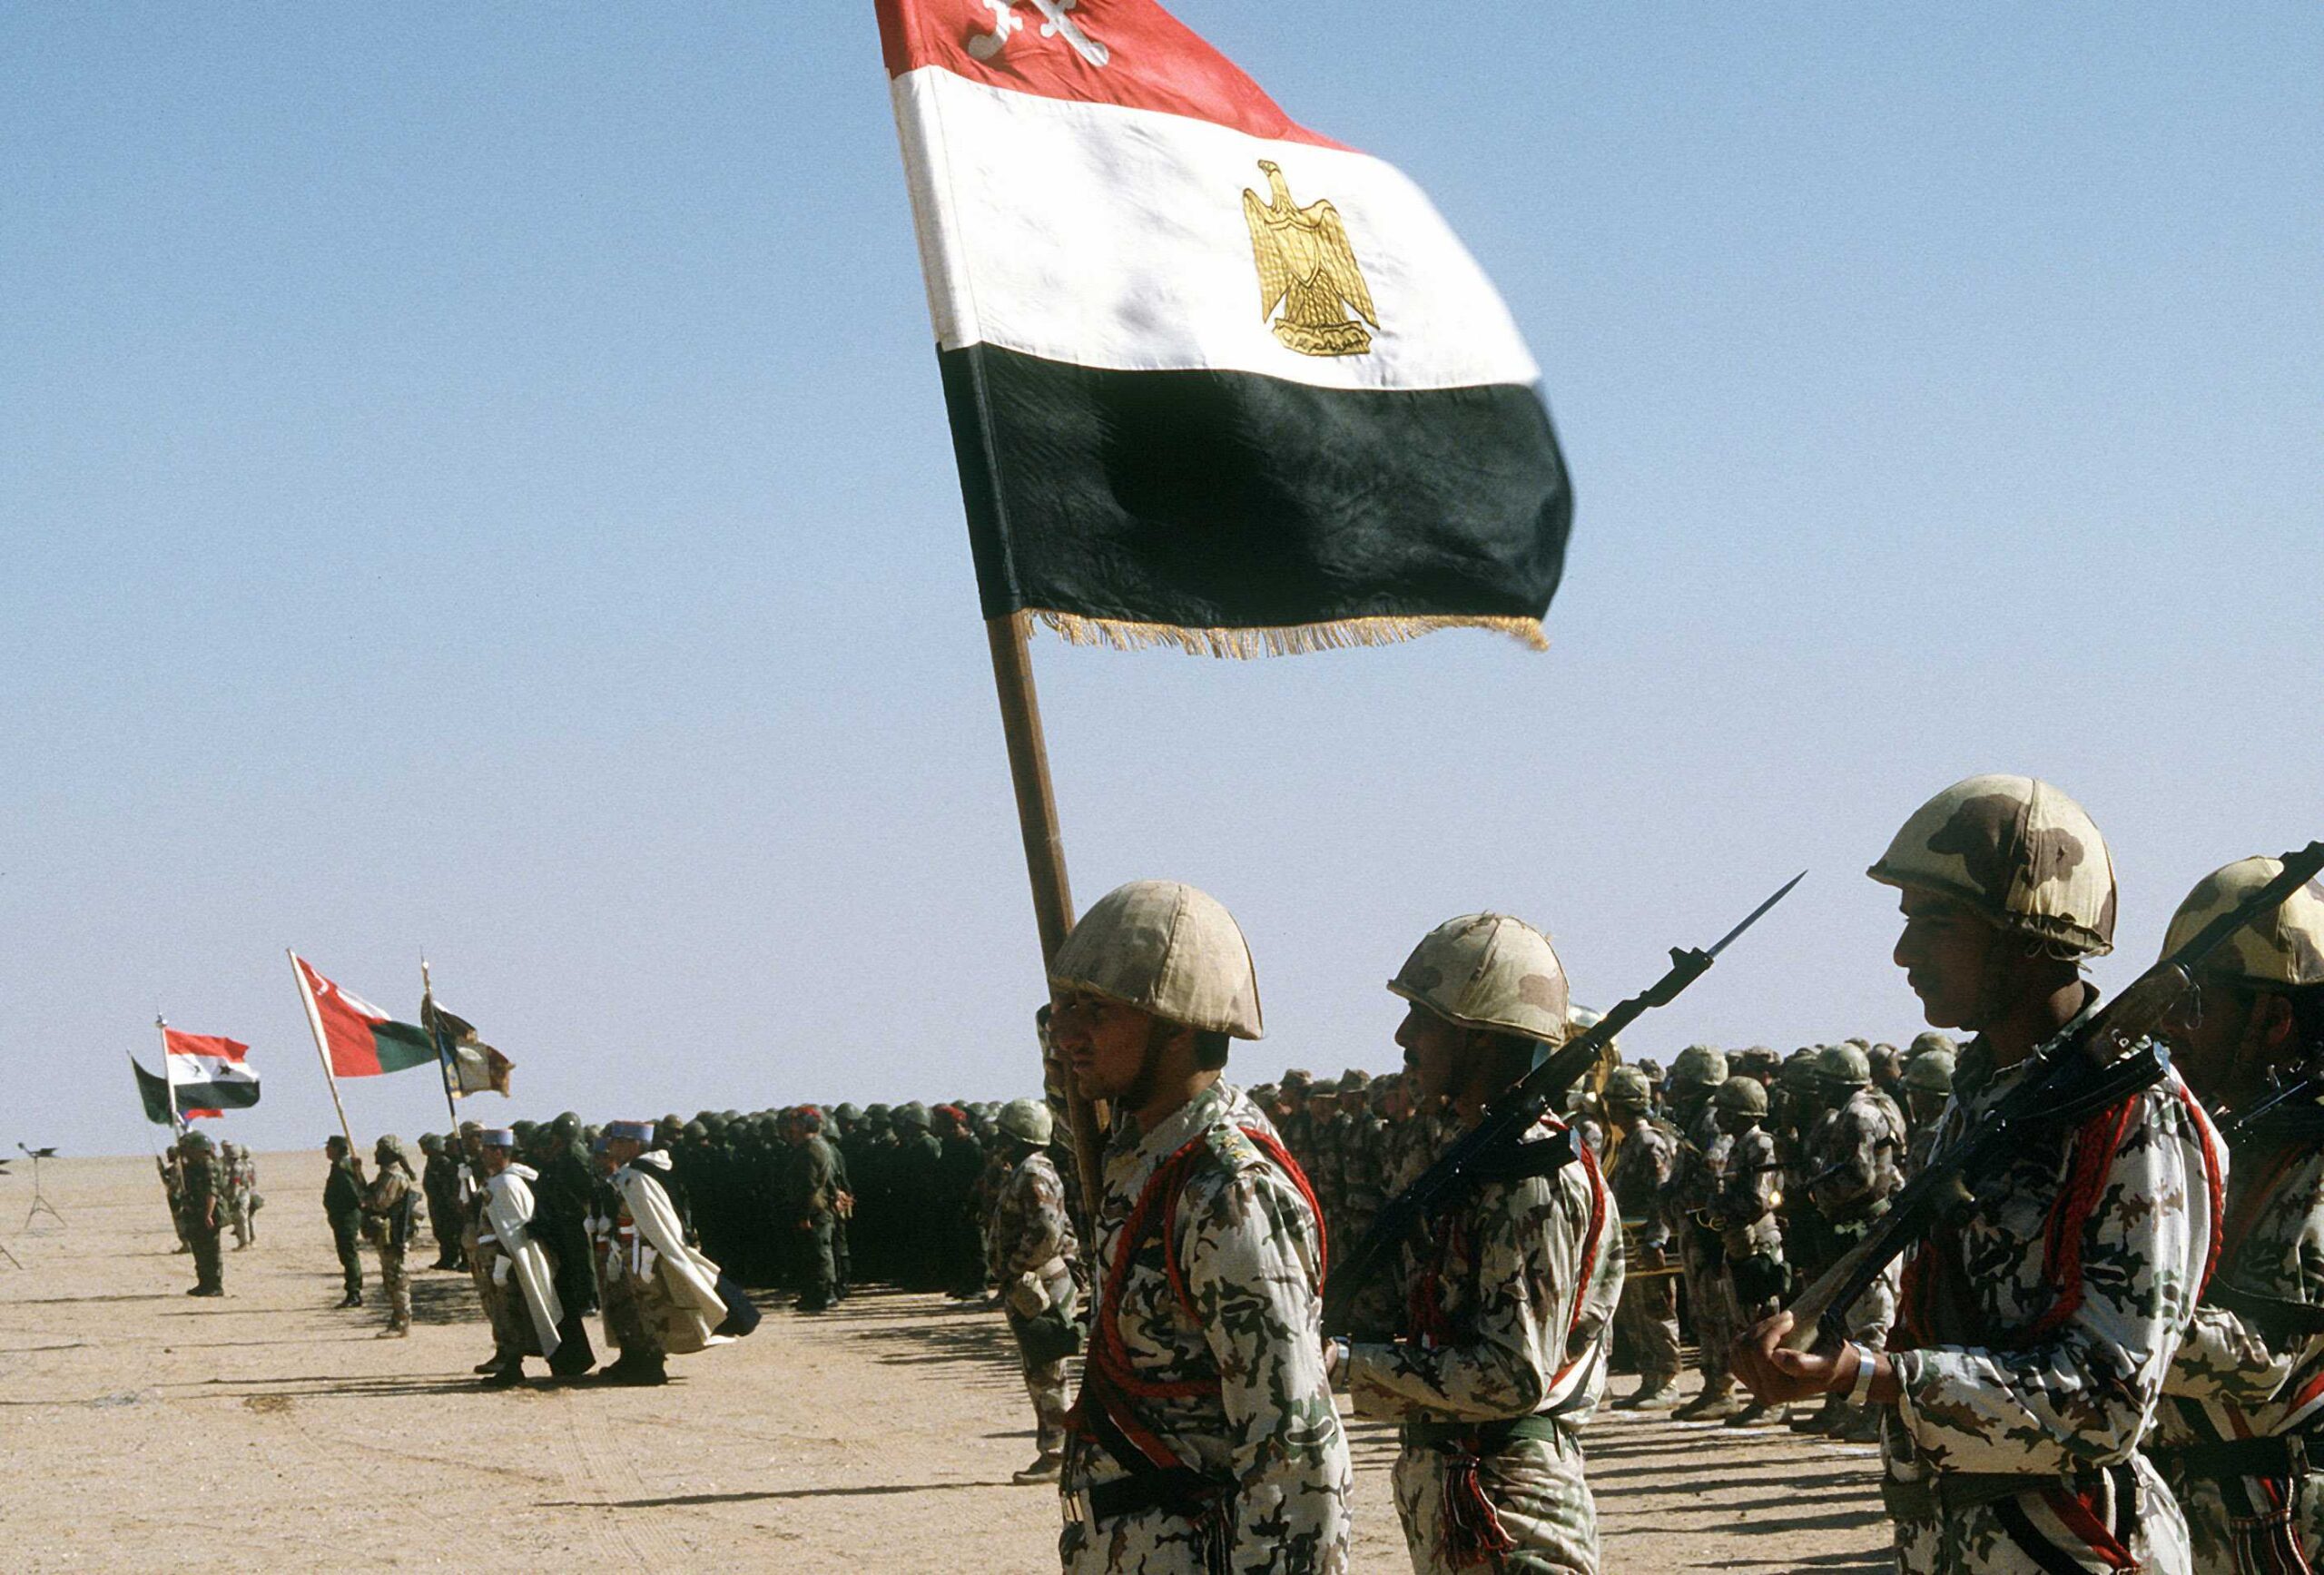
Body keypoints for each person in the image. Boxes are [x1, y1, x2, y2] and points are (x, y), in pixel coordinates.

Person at [1733, 773, 2224, 1573]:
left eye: (1936, 922)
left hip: (2071, 1544)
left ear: (2027, 933)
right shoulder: (1983, 1097)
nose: (1903, 953)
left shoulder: (2132, 1112)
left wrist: (1871, 1376)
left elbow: (2108, 1401)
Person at [1047, 879, 1351, 1573]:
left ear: (1177, 1026)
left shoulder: (1227, 1190)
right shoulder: (1144, 1155)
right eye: (1064, 1007)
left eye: (1096, 1010)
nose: (1066, 1034)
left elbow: (1294, 1444)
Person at [1336, 912, 1624, 1574]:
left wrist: (1348, 1362)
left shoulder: (1532, 1174)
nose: (1404, 1038)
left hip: (1508, 1505)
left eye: (1424, 1018)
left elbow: (1510, 1374)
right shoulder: (1472, 1155)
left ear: (1482, 1038)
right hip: (1467, 1488)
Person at [2148, 857, 2324, 1572]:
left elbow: (2265, 1357)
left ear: (2274, 1018)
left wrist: (2103, 1318)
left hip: (2288, 1525)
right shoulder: (2228, 1140)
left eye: (2195, 1004)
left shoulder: (2311, 1160)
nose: (2169, 1024)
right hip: (2205, 1507)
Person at [1791, 1043, 1908, 1442]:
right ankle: (1852, 1408)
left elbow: (1859, 1175)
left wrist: (1815, 1193)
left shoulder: (1857, 1115)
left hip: (1866, 1228)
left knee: (1872, 1324)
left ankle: (1874, 1414)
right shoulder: (1873, 1107)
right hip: (1865, 1227)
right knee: (1855, 1322)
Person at [596, 1119, 734, 1384]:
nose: (612, 1148)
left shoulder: (639, 1176)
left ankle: (650, 1365)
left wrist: (647, 1253)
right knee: (631, 1307)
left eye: (618, 1142)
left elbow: (654, 1220)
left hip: (644, 1254)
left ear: (634, 1145)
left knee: (650, 1309)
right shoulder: (636, 1172)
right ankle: (635, 1358)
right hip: (632, 1251)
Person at [988, 1096, 1081, 1484]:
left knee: (1047, 1373)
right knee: (1043, 1370)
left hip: (1037, 1283)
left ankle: (1057, 1454)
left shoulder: (1031, 1174)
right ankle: (1059, 1449)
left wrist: (1016, 1267)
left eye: (1004, 1135)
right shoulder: (1035, 1171)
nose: (998, 1143)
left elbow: (1046, 1228)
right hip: (1040, 1279)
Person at [1602, 1065, 1681, 1410]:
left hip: (1646, 1242)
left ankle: (1666, 1381)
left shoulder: (1650, 1143)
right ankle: (1650, 1380)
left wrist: (1656, 1241)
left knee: (1656, 1311)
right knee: (1635, 1315)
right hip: (1631, 1241)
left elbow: (1662, 1196)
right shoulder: (1631, 1142)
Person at [1707, 1075, 1785, 1428]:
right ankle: (1760, 1394)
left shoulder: (1761, 1145)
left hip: (1758, 1239)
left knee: (1765, 1320)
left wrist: (1720, 1204)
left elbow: (1757, 1199)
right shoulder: (1738, 1146)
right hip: (1739, 1238)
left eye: (1725, 1111)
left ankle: (1774, 1398)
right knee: (1745, 1322)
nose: (1718, 1117)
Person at [476, 1127, 566, 1388]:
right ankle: (509, 1362)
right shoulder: (498, 1181)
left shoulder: (506, 1185)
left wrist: (503, 1263)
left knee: (509, 1313)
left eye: (486, 1150)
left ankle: (512, 1366)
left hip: (506, 1261)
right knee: (504, 1312)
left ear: (499, 1152)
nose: (482, 1154)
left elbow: (512, 1232)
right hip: (498, 1258)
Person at [359, 1135, 421, 1337]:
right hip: (387, 1235)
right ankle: (397, 1320)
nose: (375, 1154)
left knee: (397, 1278)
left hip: (394, 1234)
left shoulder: (393, 1177)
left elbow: (379, 1203)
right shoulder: (386, 1176)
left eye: (380, 1151)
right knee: (391, 1279)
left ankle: (402, 1323)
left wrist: (360, 1186)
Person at [783, 1108, 842, 1314]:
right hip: (815, 1207)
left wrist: (804, 1215)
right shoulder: (813, 1147)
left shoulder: (810, 1149)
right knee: (811, 1253)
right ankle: (812, 1293)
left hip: (814, 1208)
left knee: (819, 1252)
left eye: (797, 1123)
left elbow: (809, 1185)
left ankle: (824, 1294)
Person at [175, 1130, 226, 1296]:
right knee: (199, 1249)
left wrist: (208, 1214)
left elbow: (212, 1192)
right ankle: (204, 1283)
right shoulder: (193, 1166)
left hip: (208, 1213)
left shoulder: (208, 1166)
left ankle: (214, 1286)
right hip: (195, 1212)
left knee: (210, 1251)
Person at [322, 1133, 365, 1308]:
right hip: (343, 1216)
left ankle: (354, 1293)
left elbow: (354, 1193)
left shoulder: (342, 1168)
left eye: (329, 1147)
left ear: (337, 1149)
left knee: (348, 1254)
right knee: (347, 1253)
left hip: (346, 1217)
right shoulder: (344, 1165)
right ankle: (353, 1291)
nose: (326, 1150)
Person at [419, 1133, 467, 1271]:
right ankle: (447, 1259)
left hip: (447, 1203)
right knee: (442, 1233)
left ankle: (462, 1260)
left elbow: (450, 1183)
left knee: (455, 1232)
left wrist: (451, 1200)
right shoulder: (433, 1161)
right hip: (438, 1203)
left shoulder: (444, 1162)